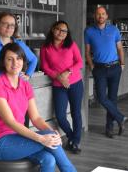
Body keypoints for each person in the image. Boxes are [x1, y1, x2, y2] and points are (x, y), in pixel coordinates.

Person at [0, 43, 77, 172]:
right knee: (48, 138)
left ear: (23, 61)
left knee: (49, 159)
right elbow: (10, 122)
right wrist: (41, 138)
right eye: (9, 59)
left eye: (19, 58)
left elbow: (36, 118)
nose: (15, 63)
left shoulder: (25, 86)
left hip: (18, 138)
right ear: (2, 62)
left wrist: (52, 133)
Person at [84, 6, 128, 139]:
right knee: (101, 97)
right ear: (95, 16)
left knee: (112, 99)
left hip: (115, 68)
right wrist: (92, 66)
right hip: (99, 69)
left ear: (107, 16)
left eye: (103, 14)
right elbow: (87, 52)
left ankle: (110, 129)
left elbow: (120, 48)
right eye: (98, 14)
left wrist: (122, 64)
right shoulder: (89, 31)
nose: (100, 16)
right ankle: (120, 118)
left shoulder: (114, 30)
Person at [40, 21, 84, 154]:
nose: (61, 33)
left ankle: (75, 142)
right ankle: (72, 137)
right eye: (58, 29)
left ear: (67, 33)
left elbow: (79, 62)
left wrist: (67, 72)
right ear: (53, 30)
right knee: (60, 115)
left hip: (75, 83)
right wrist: (58, 77)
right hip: (59, 85)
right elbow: (45, 67)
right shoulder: (45, 47)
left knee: (76, 113)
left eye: (64, 31)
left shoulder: (71, 45)